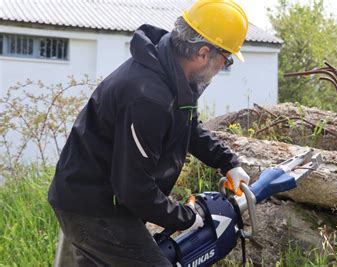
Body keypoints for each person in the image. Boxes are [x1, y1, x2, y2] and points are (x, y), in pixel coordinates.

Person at [48, 0, 250, 265]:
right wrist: (185, 216)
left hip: (100, 197)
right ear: (202, 53)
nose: (223, 67)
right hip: (94, 207)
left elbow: (188, 127)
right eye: (226, 60)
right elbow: (134, 188)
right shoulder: (148, 96)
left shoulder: (173, 75)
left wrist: (227, 162)